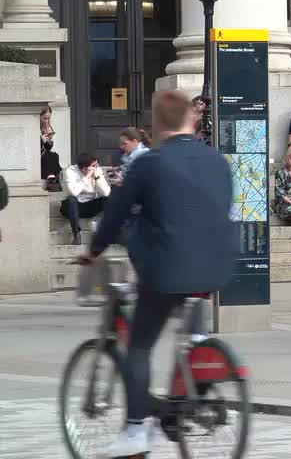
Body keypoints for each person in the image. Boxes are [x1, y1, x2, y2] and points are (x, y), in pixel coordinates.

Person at [79, 89, 236, 458]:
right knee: (191, 331)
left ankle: (135, 430)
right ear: (192, 120)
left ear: (155, 124)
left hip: (167, 269)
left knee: (139, 345)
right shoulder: (217, 160)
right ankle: (185, 397)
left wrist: (94, 251)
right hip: (216, 265)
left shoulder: (149, 164)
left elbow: (116, 212)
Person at [60, 153, 110, 244]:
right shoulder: (70, 171)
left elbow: (106, 193)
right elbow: (74, 192)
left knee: (110, 200)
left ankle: (109, 233)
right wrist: (86, 177)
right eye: (93, 166)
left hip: (90, 205)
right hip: (74, 207)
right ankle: (76, 234)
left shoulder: (97, 170)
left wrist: (97, 178)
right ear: (83, 168)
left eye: (96, 165)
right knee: (71, 200)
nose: (96, 167)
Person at [39, 106, 61, 188]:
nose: (46, 121)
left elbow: (48, 148)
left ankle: (53, 179)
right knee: (50, 156)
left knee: (54, 155)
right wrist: (40, 139)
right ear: (39, 116)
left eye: (48, 119)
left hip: (44, 153)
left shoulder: (47, 127)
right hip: (37, 154)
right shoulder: (34, 126)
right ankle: (52, 179)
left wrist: (49, 141)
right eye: (44, 118)